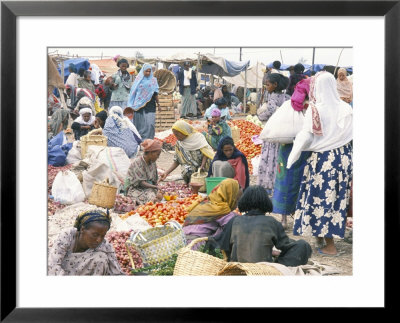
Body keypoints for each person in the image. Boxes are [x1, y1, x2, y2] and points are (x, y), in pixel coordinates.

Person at [287, 71, 353, 256]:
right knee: (336, 199)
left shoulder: (315, 109)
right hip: (343, 159)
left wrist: (293, 156)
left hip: (323, 161)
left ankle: (330, 246)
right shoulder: (346, 108)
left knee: (321, 199)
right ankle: (321, 239)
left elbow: (306, 136)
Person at [212, 185, 312, 266]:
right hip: (264, 270)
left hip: (237, 268)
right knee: (303, 245)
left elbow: (224, 247)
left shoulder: (234, 221)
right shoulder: (271, 222)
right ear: (266, 203)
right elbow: (285, 246)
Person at [272, 79, 312, 229]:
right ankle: (293, 215)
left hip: (291, 149)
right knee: (298, 182)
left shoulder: (289, 105)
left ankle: (286, 218)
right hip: (302, 149)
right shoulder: (307, 107)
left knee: (287, 181)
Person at [48, 209, 124, 276]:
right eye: (95, 235)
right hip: (61, 273)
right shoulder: (67, 236)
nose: (99, 240)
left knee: (101, 259)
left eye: (102, 236)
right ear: (82, 229)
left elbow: (116, 272)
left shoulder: (105, 245)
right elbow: (53, 265)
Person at [257, 73, 290, 195]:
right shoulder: (287, 97)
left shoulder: (272, 99)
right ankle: (279, 186)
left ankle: (268, 186)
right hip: (284, 134)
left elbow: (265, 114)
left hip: (272, 134)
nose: (266, 86)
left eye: (268, 84)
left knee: (269, 158)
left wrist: (260, 113)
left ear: (275, 85)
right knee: (279, 159)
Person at [182, 178, 242, 244]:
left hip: (183, 239)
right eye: (237, 199)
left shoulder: (208, 202)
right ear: (230, 197)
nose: (237, 204)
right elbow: (234, 226)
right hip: (196, 243)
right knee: (229, 229)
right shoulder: (222, 209)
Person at [159, 120, 215, 184]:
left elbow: (206, 153)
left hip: (203, 164)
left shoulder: (198, 137)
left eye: (177, 134)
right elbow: (177, 160)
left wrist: (202, 165)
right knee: (187, 170)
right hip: (191, 167)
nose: (176, 137)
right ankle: (190, 183)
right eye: (175, 135)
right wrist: (166, 173)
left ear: (184, 131)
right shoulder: (179, 143)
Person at [127, 63, 161, 140]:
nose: (148, 73)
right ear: (143, 71)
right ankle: (140, 140)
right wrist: (131, 104)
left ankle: (149, 140)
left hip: (151, 104)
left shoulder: (153, 80)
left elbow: (155, 93)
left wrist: (158, 104)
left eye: (149, 71)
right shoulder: (138, 80)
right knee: (140, 124)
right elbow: (133, 92)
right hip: (138, 106)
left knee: (150, 124)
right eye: (146, 71)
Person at [124, 139, 163, 205]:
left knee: (154, 196)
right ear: (151, 153)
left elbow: (154, 181)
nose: (158, 157)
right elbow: (141, 183)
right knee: (147, 199)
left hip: (148, 188)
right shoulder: (138, 162)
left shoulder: (152, 163)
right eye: (157, 154)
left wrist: (158, 189)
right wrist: (155, 187)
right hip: (135, 188)